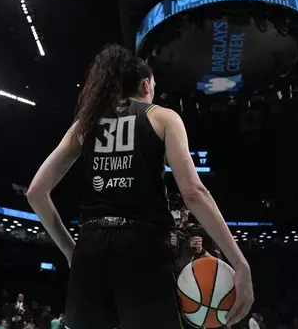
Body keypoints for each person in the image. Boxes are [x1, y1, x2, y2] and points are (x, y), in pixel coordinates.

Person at [27, 44, 254, 329]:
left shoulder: (85, 124)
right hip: (143, 248)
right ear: (146, 84)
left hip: (91, 249)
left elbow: (36, 193)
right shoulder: (162, 117)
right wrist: (240, 262)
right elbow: (193, 193)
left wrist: (71, 251)